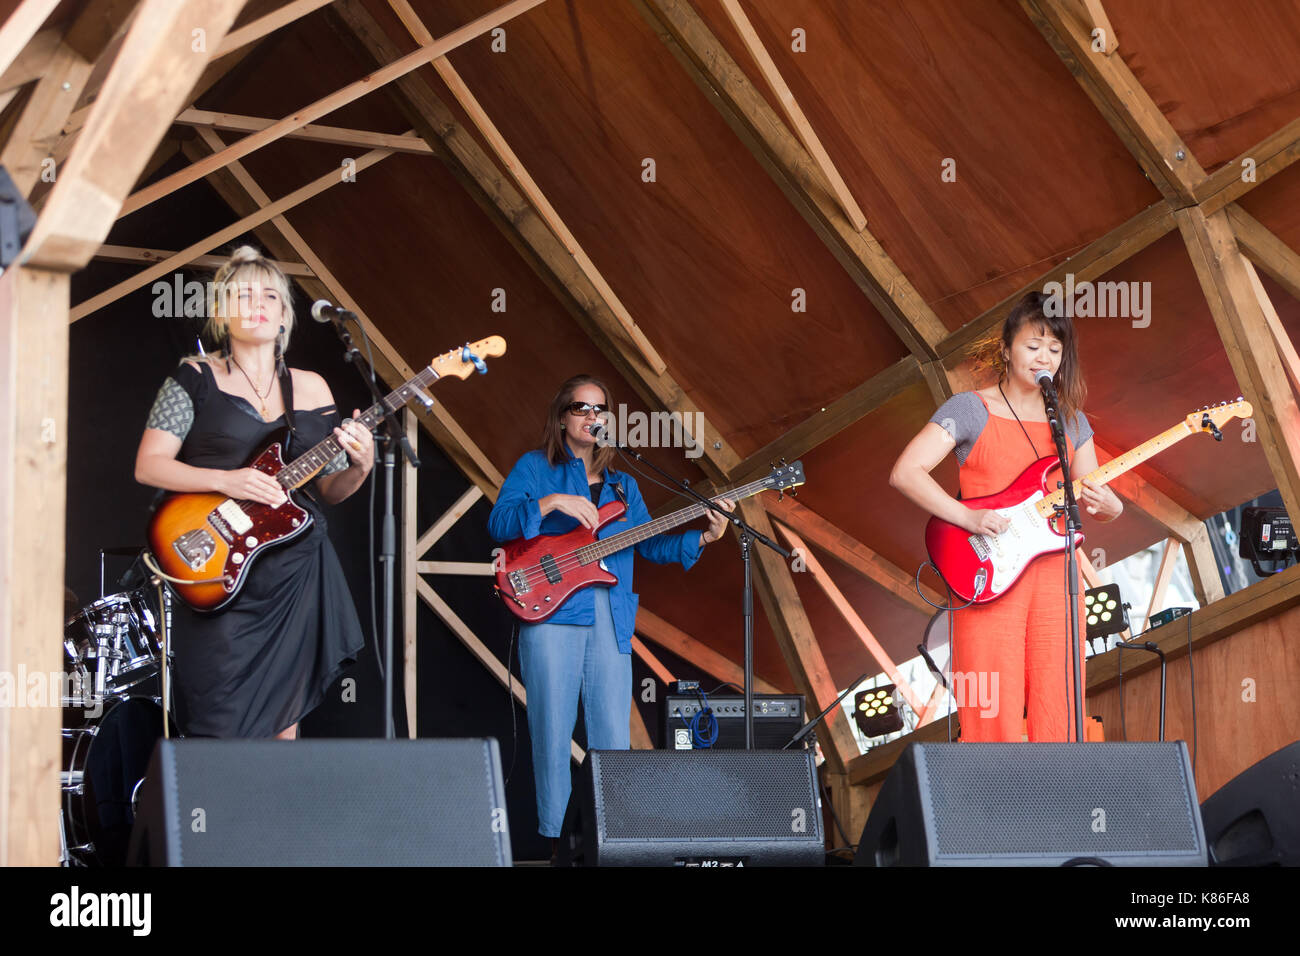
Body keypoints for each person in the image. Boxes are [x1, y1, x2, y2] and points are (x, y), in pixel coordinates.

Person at [134, 246, 372, 739]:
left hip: (293, 572)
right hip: (215, 567)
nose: (258, 303)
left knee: (285, 724)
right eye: (243, 294)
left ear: (285, 315)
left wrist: (362, 465)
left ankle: (276, 816)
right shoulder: (194, 378)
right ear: (222, 312)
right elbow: (149, 466)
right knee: (218, 722)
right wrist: (226, 479)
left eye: (270, 295)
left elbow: (330, 488)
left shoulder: (313, 388)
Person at [488, 375, 733, 850]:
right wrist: (551, 501)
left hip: (611, 614)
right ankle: (559, 844)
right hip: (551, 612)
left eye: (598, 410)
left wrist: (704, 536)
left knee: (611, 738)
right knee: (552, 731)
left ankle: (611, 843)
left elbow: (653, 545)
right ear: (562, 418)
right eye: (580, 408)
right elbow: (498, 523)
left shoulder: (624, 486)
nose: (590, 416)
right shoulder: (535, 467)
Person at [890, 291, 1123, 742]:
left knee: (1062, 707)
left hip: (1058, 582)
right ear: (1006, 349)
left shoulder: (1071, 422)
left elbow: (1095, 493)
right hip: (988, 576)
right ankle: (993, 806)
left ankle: (1061, 805)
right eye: (1033, 346)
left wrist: (1113, 509)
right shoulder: (969, 409)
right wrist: (967, 517)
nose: (1045, 358)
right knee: (989, 709)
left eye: (1055, 350)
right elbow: (905, 472)